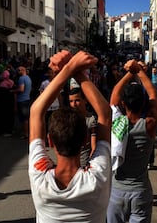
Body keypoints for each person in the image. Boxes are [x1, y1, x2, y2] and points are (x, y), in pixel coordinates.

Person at [28, 50, 111, 222]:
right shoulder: (97, 178)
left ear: (50, 141)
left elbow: (36, 112)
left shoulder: (40, 177)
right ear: (85, 140)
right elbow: (105, 114)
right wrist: (74, 70)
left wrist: (69, 68)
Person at [107, 60, 157, 223]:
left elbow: (115, 94)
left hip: (117, 191)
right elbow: (154, 96)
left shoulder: (116, 124)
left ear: (123, 104)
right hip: (140, 191)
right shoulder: (149, 125)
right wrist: (140, 72)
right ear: (143, 103)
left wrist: (130, 72)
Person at [68, 87, 97, 167]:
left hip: (84, 163)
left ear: (85, 100)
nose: (74, 104)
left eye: (77, 100)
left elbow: (93, 147)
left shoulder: (91, 120)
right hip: (70, 163)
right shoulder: (68, 119)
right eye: (71, 101)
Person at [12, 66, 32, 139]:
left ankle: (25, 133)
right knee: (27, 117)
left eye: (19, 70)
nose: (18, 72)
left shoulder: (21, 78)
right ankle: (27, 132)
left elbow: (21, 89)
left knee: (24, 118)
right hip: (27, 98)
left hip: (22, 100)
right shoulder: (28, 78)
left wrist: (13, 91)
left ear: (22, 70)